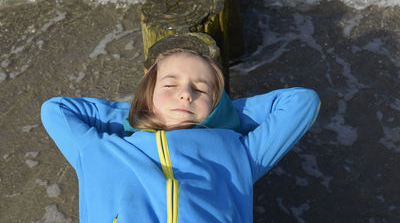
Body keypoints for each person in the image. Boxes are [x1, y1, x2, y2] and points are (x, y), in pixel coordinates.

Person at [41, 47, 321, 223]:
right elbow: (56, 109)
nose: (186, 93)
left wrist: (223, 117)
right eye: (169, 84)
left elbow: (302, 102)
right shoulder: (99, 150)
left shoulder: (238, 154)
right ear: (147, 94)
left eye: (201, 90)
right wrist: (137, 116)